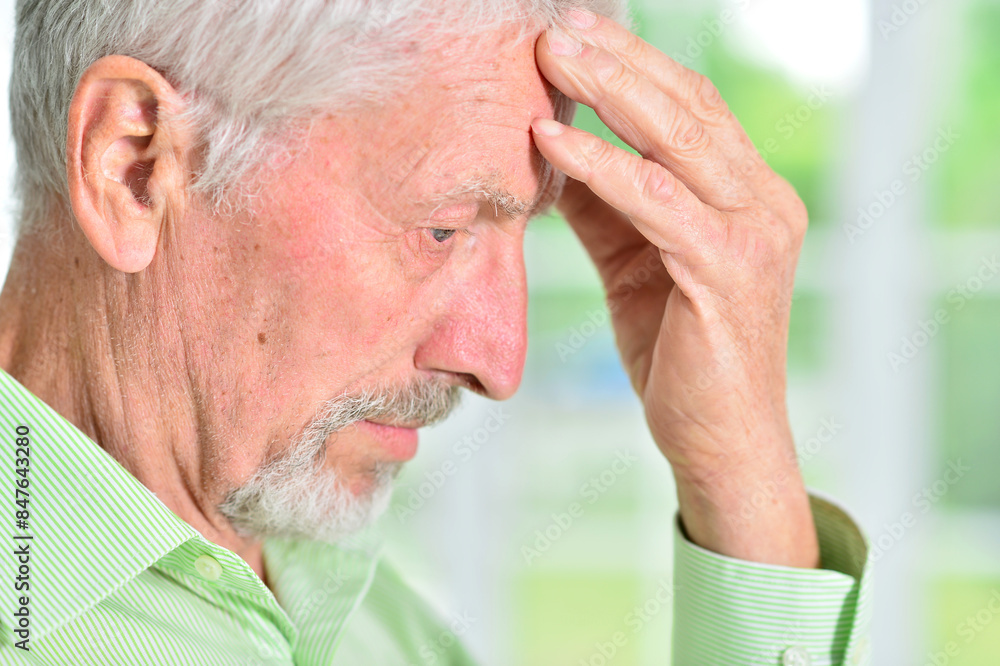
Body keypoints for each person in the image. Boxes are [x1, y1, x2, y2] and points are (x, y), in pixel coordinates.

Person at [0, 1, 871, 663]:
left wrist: (737, 473)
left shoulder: (353, 604)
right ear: (134, 166)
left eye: (530, 225)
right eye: (445, 228)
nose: (500, 362)